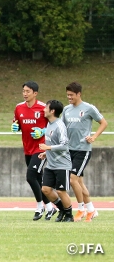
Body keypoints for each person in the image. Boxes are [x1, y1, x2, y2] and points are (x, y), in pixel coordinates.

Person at [60, 82, 107, 222]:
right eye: (67, 95)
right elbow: (62, 127)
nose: (69, 97)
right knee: (79, 182)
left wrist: (94, 137)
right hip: (69, 150)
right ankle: (91, 210)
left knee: (72, 179)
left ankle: (81, 209)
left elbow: (104, 123)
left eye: (71, 95)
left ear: (79, 94)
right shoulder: (67, 110)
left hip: (83, 149)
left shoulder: (89, 108)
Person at [13, 81, 56, 220]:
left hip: (41, 149)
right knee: (38, 179)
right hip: (27, 149)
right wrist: (15, 126)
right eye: (23, 91)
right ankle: (50, 207)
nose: (25, 94)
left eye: (28, 91)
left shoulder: (44, 108)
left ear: (35, 93)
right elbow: (17, 123)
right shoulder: (18, 107)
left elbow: (56, 126)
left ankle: (40, 206)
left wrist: (43, 131)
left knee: (30, 176)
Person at [39, 100, 73, 222]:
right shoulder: (49, 124)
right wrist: (46, 153)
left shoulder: (60, 125)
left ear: (52, 111)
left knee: (61, 191)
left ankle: (69, 215)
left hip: (62, 165)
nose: (44, 110)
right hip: (51, 164)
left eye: (46, 108)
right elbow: (53, 144)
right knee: (46, 189)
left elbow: (64, 145)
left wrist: (48, 148)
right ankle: (62, 210)